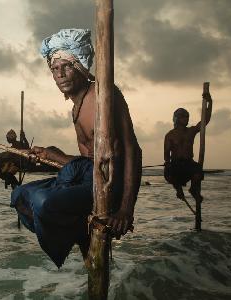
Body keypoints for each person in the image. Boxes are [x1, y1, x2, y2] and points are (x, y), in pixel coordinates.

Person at [10, 28, 142, 268]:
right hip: (86, 179)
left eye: (66, 66)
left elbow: (133, 150)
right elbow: (88, 161)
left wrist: (125, 209)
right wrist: (51, 154)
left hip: (107, 184)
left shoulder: (104, 94)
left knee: (43, 202)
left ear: (80, 66)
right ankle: (80, 232)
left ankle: (81, 233)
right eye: (54, 69)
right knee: (19, 195)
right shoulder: (76, 108)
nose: (60, 74)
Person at [164, 94, 213, 202]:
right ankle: (179, 189)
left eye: (187, 116)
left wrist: (210, 103)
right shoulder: (170, 135)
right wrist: (167, 163)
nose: (186, 119)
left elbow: (205, 120)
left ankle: (193, 190)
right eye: (183, 116)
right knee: (169, 174)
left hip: (188, 163)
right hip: (176, 164)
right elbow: (167, 153)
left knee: (198, 172)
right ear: (177, 118)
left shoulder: (191, 131)